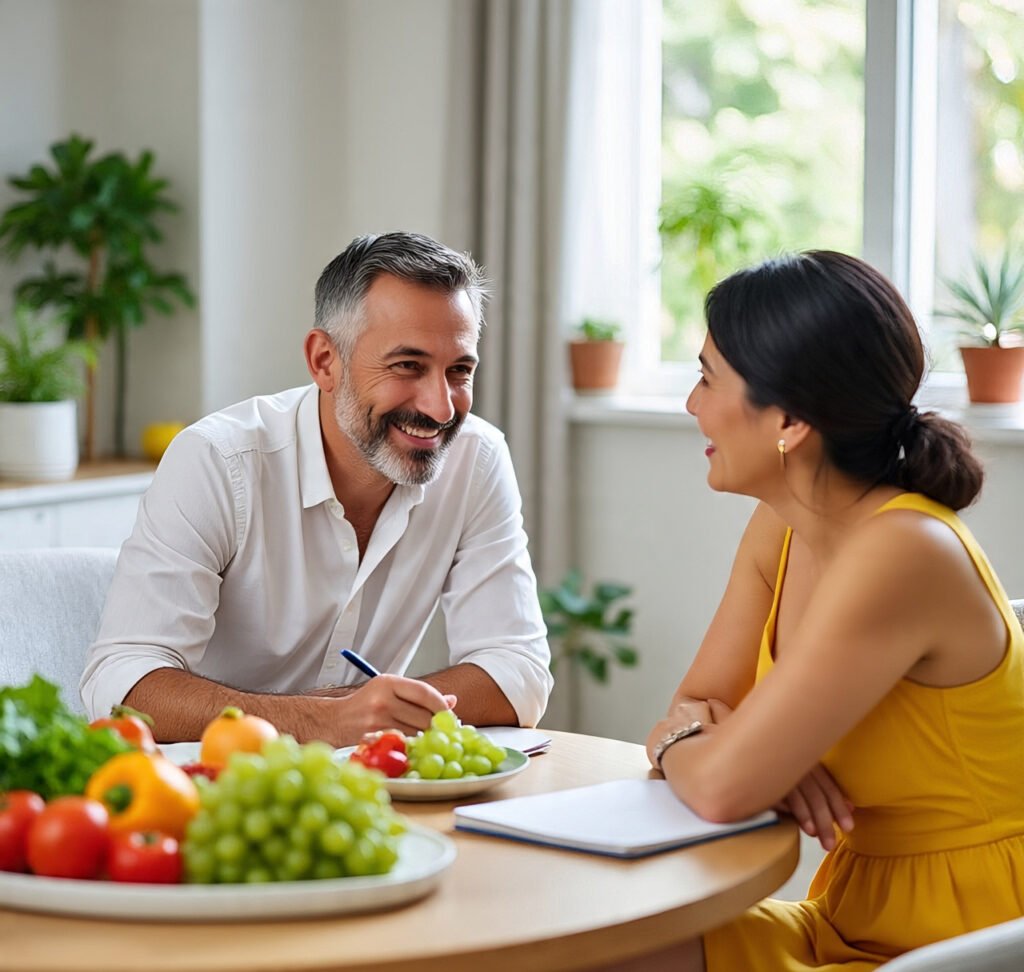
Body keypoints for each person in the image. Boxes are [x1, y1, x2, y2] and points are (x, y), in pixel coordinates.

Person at [637, 251, 1024, 970]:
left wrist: (692, 746)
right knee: (611, 948)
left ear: (788, 420)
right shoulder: (781, 527)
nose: (692, 405)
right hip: (850, 917)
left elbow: (717, 785)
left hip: (969, 941)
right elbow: (698, 702)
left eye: (705, 377)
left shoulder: (905, 552)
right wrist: (737, 747)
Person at [80, 232, 553, 746]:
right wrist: (326, 720)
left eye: (459, 371)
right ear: (325, 360)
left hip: (365, 789)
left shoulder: (477, 459)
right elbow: (121, 687)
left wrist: (372, 714)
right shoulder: (218, 461)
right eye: (407, 366)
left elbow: (519, 672)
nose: (441, 408)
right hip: (210, 792)